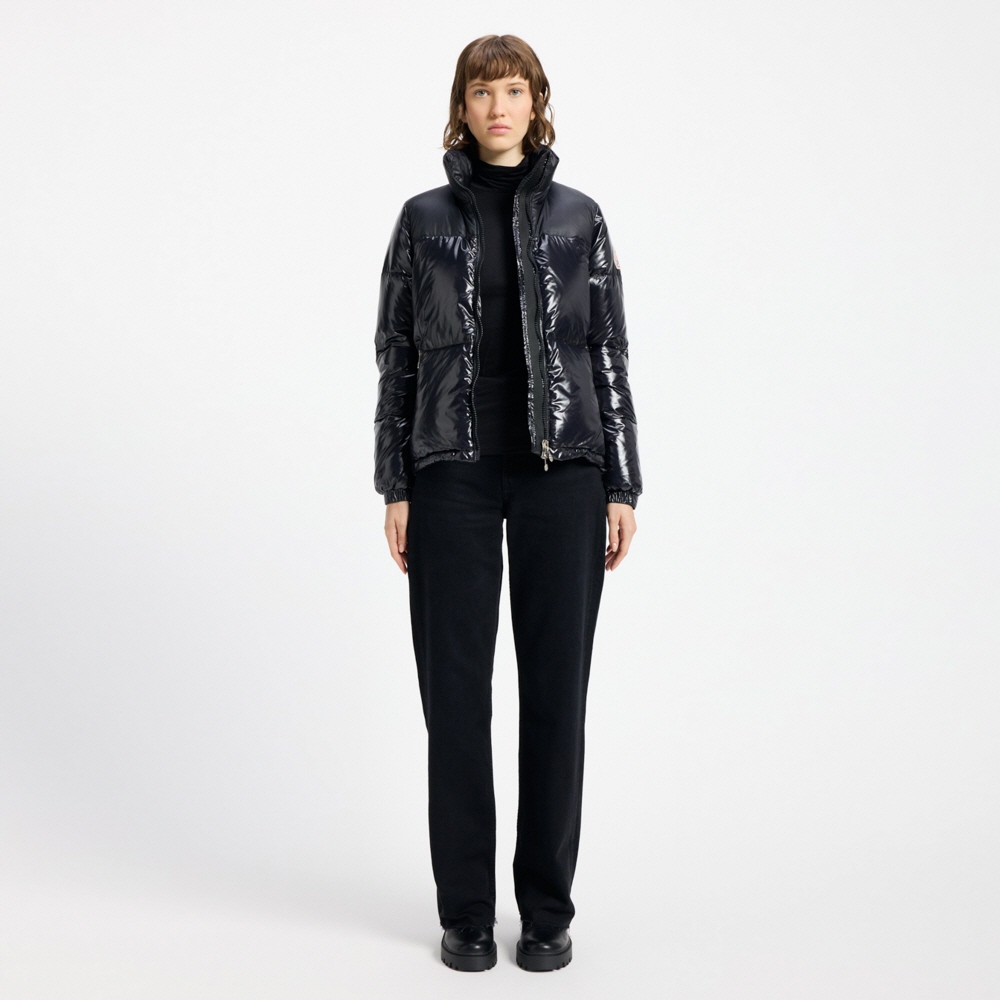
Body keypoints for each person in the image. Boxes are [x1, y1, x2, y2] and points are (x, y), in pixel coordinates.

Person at [372, 34, 642, 973]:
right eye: (482, 92)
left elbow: (607, 352)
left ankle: (548, 911)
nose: (498, 107)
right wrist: (395, 482)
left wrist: (622, 480)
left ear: (537, 103)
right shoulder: (420, 220)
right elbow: (397, 356)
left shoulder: (579, 217)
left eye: (514, 90)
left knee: (556, 696)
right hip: (450, 470)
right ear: (462, 105)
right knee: (455, 700)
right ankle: (467, 914)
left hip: (563, 473)